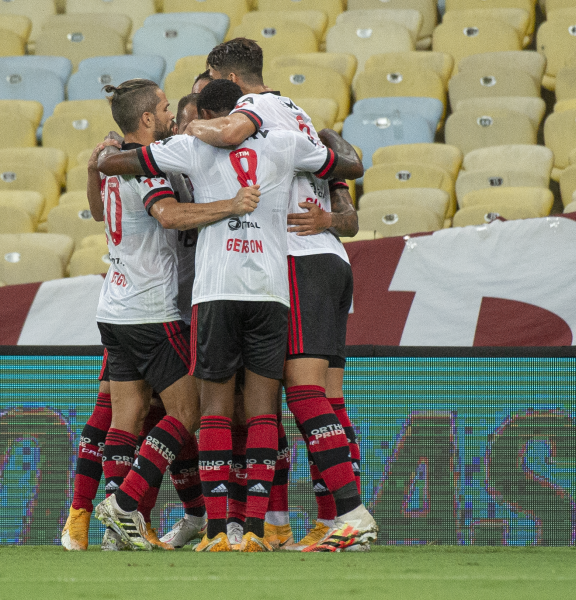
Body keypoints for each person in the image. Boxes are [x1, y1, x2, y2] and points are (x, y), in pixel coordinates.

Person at [97, 79, 368, 552]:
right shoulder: (286, 143)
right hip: (271, 291)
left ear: (209, 115)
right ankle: (261, 530)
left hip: (215, 291)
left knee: (214, 411)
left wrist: (111, 152)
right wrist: (327, 138)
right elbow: (345, 166)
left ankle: (218, 530)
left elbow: (115, 165)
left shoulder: (190, 148)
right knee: (264, 409)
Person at [184, 38, 374, 551]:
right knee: (326, 397)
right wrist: (334, 219)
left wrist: (191, 127)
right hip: (329, 258)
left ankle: (351, 514)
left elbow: (227, 134)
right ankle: (329, 520)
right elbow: (345, 166)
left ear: (229, 78)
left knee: (300, 393)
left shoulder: (254, 108)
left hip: (296, 255)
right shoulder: (295, 111)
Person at [85, 79, 261, 551]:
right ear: (146, 118)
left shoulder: (111, 162)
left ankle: (115, 534)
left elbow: (97, 213)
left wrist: (89, 170)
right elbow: (167, 215)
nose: (169, 115)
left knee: (127, 417)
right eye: (164, 109)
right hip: (150, 310)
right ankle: (125, 504)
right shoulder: (143, 165)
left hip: (114, 308)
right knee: (188, 410)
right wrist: (231, 205)